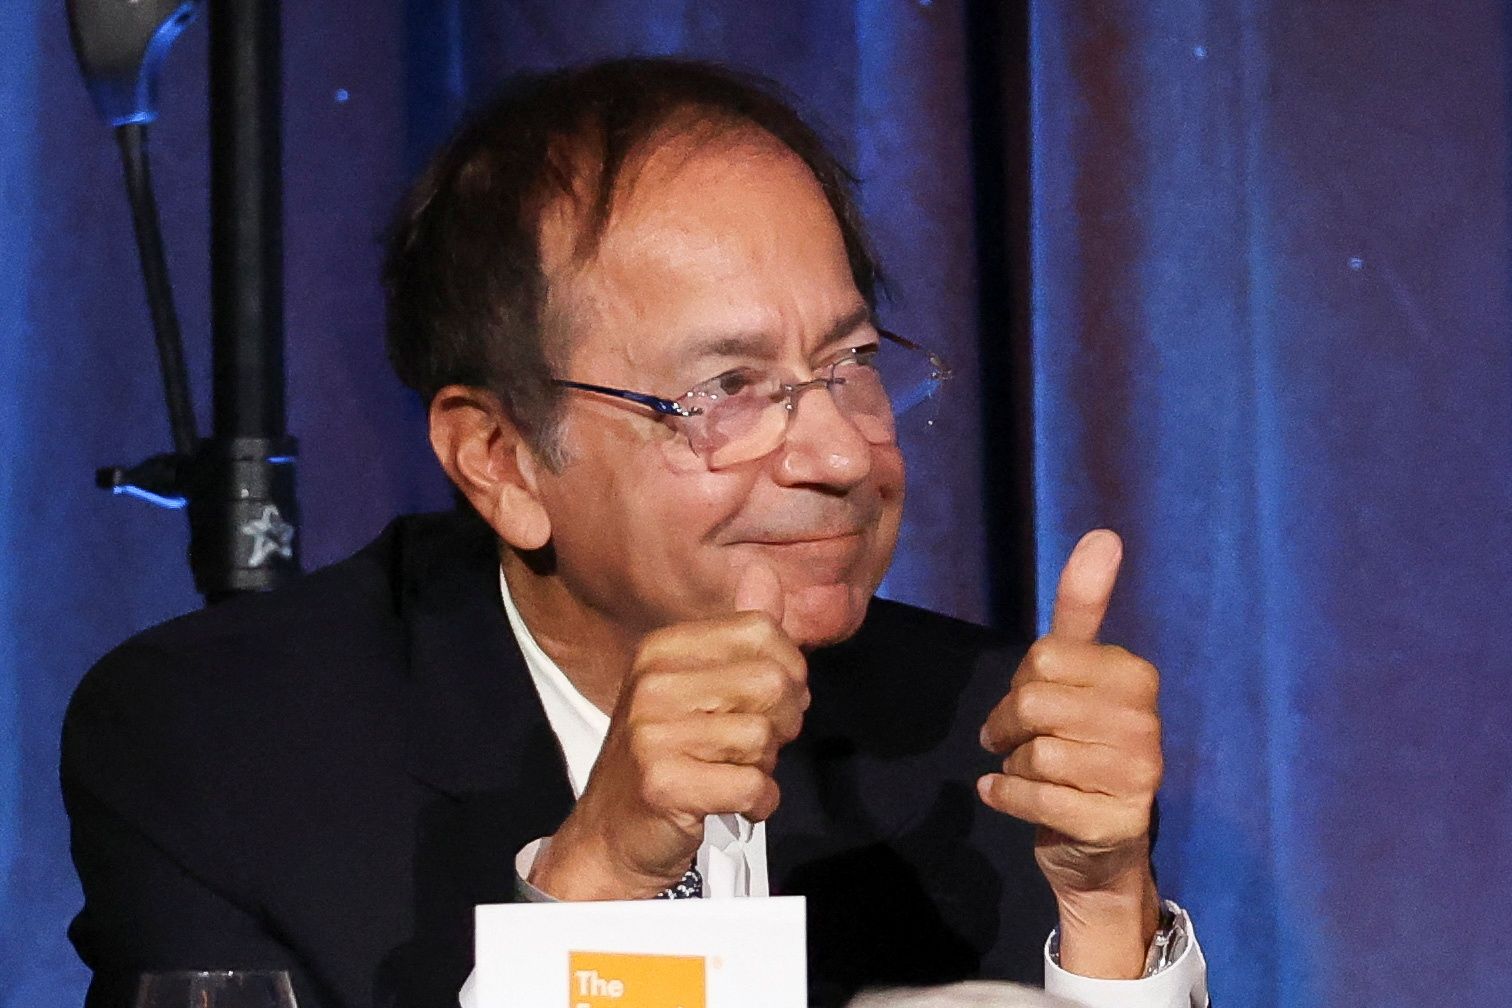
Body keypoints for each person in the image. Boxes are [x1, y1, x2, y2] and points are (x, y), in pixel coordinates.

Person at [62, 58, 1207, 1008]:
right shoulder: (224, 751)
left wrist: (1109, 923)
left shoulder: (996, 738)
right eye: (726, 390)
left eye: (851, 364)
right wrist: (597, 887)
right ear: (501, 462)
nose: (844, 455)